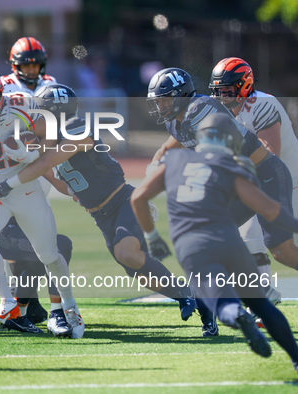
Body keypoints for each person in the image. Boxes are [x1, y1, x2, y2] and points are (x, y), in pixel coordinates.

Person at [0, 84, 205, 334]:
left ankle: (185, 294)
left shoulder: (78, 128)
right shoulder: (50, 138)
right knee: (136, 269)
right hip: (100, 214)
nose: (36, 118)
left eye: (41, 112)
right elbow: (60, 181)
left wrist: (12, 181)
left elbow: (49, 160)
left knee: (127, 253)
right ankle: (189, 293)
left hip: (123, 200)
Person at [130, 112, 298, 371]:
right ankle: (296, 359)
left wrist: (153, 236)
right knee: (261, 303)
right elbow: (270, 211)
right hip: (229, 240)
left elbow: (138, 197)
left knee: (223, 302)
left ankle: (238, 317)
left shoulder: (175, 159)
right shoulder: (233, 166)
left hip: (193, 246)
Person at [0, 67, 84, 338]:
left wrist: (29, 149)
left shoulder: (23, 106)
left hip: (25, 188)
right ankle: (8, 302)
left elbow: (50, 140)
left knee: (49, 254)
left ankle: (69, 306)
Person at [147, 68, 298, 274]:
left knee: (282, 252)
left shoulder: (200, 110)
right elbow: (164, 151)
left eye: (165, 100)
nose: (160, 106)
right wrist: (149, 187)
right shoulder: (176, 121)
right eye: (158, 101)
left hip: (266, 176)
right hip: (242, 179)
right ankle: (249, 291)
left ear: (181, 96)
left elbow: (217, 160)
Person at [210, 57, 298, 269]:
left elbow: (269, 157)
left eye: (228, 89)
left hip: (289, 182)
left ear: (245, 85)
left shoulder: (261, 105)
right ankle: (262, 296)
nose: (222, 95)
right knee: (248, 240)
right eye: (219, 90)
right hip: (260, 183)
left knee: (283, 251)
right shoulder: (220, 111)